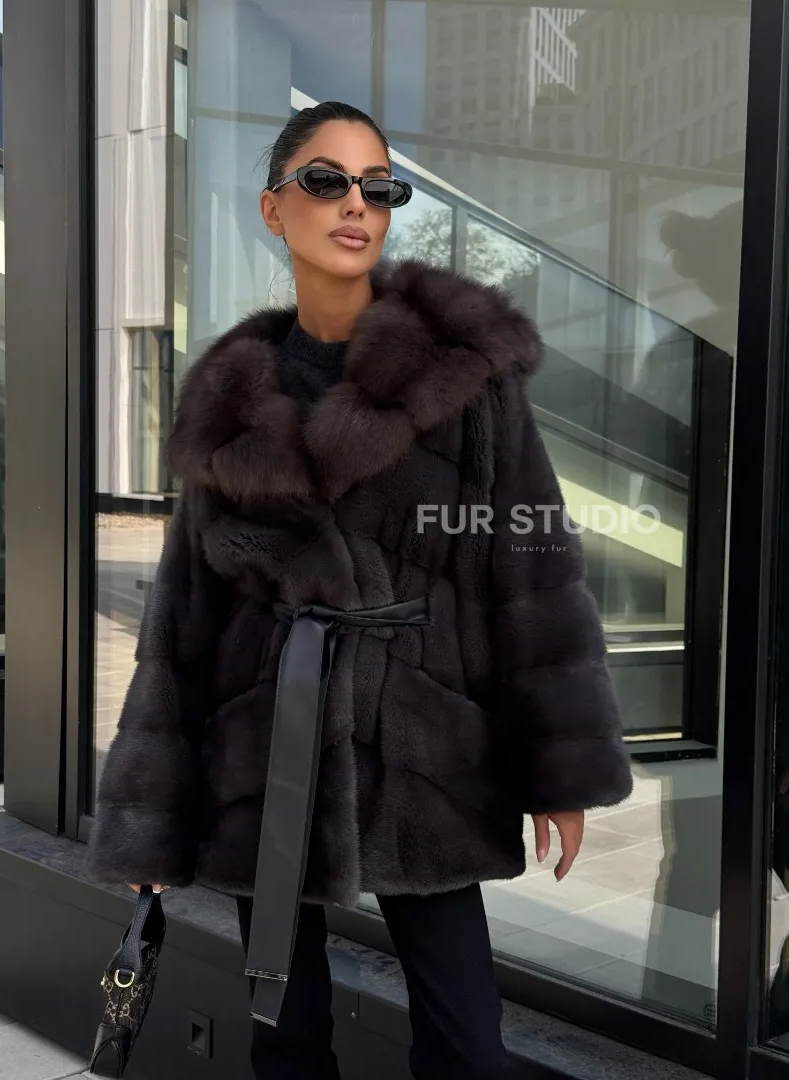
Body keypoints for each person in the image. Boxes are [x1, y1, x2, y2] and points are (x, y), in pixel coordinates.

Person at [86, 100, 633, 1080]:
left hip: (425, 733)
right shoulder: (228, 396)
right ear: (272, 208)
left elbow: (534, 574)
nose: (355, 204)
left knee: (466, 1043)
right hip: (264, 734)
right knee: (283, 1034)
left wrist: (558, 764)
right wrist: (148, 813)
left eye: (378, 187)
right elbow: (182, 617)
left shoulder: (465, 377)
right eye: (325, 181)